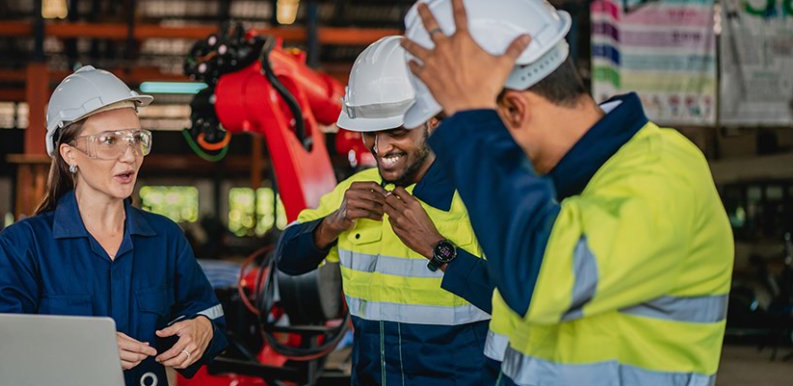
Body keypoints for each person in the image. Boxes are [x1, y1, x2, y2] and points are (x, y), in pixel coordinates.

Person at [399, 0, 734, 385]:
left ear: (513, 109)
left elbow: (539, 278)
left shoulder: (664, 176)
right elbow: (507, 358)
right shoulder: (553, 196)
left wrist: (473, 122)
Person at [0, 66, 227, 386]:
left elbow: (211, 314)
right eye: (109, 140)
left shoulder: (165, 239)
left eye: (135, 139)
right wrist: (81, 348)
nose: (129, 155)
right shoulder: (24, 246)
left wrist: (203, 327)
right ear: (69, 154)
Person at [275, 36, 498, 385]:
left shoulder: (480, 193)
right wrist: (332, 224)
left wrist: (438, 250)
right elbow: (287, 259)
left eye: (395, 131)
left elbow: (523, 302)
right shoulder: (353, 193)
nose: (380, 147)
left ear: (434, 121)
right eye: (369, 133)